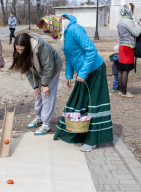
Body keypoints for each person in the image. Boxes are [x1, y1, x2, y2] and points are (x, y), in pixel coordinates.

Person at [37, 14, 113, 152]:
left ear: (55, 25)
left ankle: (93, 140)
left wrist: (83, 73)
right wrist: (68, 75)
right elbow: (70, 56)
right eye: (45, 32)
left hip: (95, 70)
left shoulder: (74, 30)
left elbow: (91, 50)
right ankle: (76, 133)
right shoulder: (61, 35)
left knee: (93, 103)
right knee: (78, 101)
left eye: (47, 31)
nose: (47, 34)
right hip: (83, 73)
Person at [10, 33, 62, 135]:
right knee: (38, 94)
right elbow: (27, 70)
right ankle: (39, 118)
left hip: (52, 70)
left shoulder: (42, 48)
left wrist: (45, 85)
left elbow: (49, 67)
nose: (19, 52)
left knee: (47, 95)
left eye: (22, 50)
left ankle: (46, 124)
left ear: (28, 47)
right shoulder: (22, 53)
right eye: (17, 49)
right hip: (39, 71)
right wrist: (35, 86)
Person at [117, 3, 141, 98]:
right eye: (132, 10)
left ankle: (120, 90)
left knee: (121, 69)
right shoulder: (128, 21)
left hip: (121, 46)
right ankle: (124, 92)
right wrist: (140, 25)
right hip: (128, 47)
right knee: (126, 70)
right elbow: (136, 33)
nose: (133, 12)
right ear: (129, 11)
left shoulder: (120, 21)